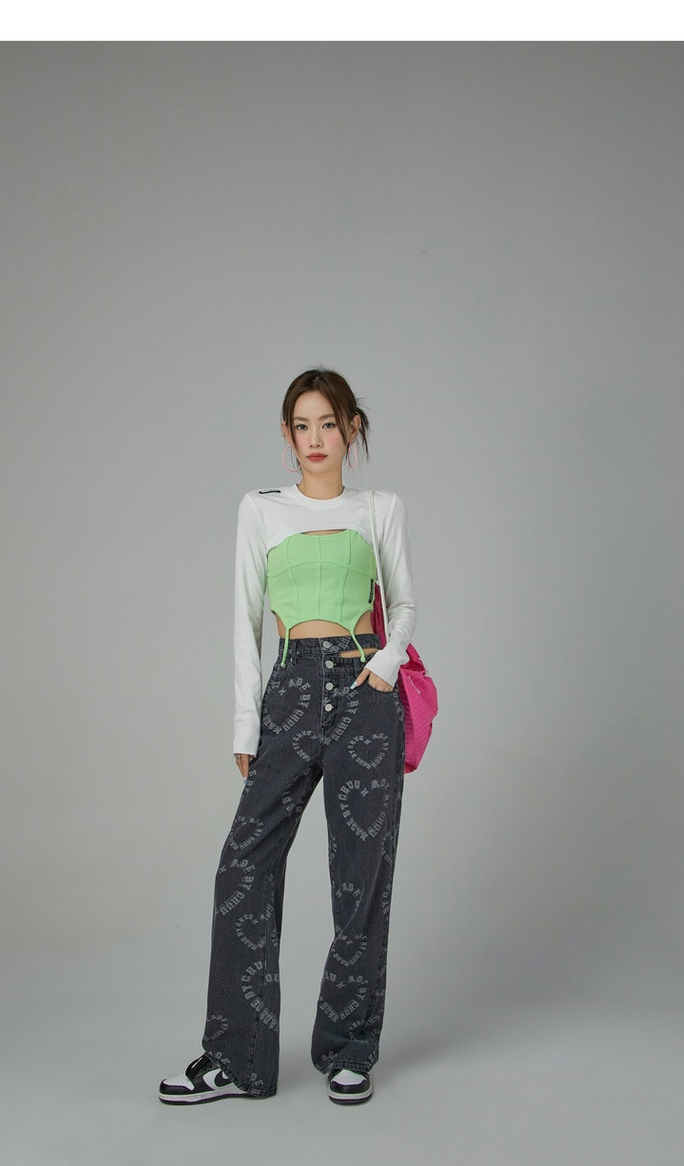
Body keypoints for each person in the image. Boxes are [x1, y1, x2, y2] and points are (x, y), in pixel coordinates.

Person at [159, 368, 416, 1106]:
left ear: (352, 429)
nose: (315, 439)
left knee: (361, 878)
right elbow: (244, 620)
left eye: (328, 424)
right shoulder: (262, 509)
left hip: (366, 692)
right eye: (302, 426)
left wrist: (387, 665)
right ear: (286, 434)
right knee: (243, 867)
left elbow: (404, 602)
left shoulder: (380, 508)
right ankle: (237, 1059)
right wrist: (247, 722)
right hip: (293, 691)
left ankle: (349, 1050)